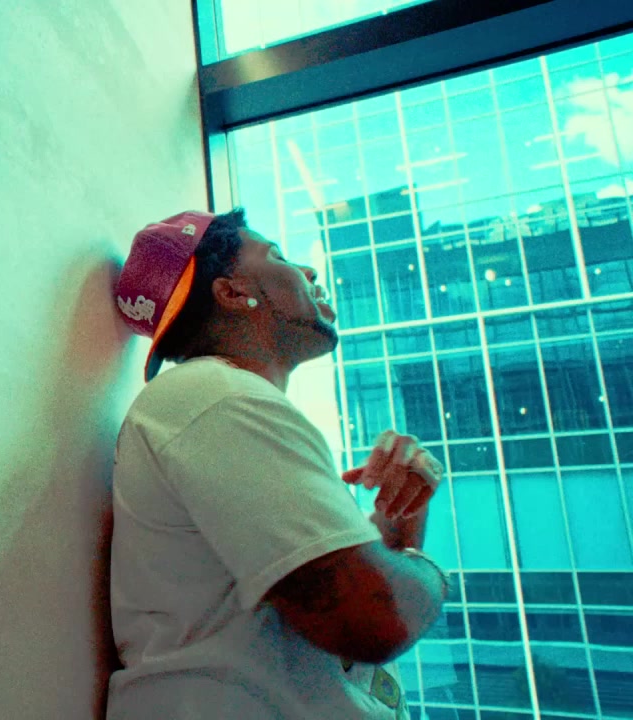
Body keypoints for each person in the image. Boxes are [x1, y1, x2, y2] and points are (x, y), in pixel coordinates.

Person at [106, 209, 450, 719]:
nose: (308, 271)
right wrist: (428, 571)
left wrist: (400, 520)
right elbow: (373, 618)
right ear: (231, 292)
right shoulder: (215, 397)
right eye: (280, 256)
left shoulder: (222, 407)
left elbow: (351, 602)